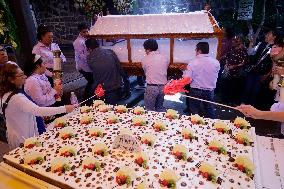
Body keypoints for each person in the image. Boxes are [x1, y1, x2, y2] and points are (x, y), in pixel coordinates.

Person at [0, 64, 75, 149]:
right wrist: (65, 108)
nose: (24, 76)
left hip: (17, 133)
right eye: (20, 75)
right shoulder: (16, 97)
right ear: (11, 80)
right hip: (23, 137)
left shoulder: (6, 93)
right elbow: (37, 110)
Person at [183, 42, 220, 118]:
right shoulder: (216, 62)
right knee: (209, 109)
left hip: (195, 91)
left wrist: (184, 73)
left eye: (196, 50)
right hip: (209, 91)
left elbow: (187, 79)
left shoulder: (193, 62)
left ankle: (195, 127)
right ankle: (211, 127)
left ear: (199, 50)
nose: (195, 52)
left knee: (194, 110)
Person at [242, 30, 277, 108]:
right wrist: (250, 43)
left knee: (255, 91)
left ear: (274, 37)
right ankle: (243, 105)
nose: (266, 36)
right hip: (253, 70)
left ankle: (251, 108)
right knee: (247, 88)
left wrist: (267, 75)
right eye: (266, 34)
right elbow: (250, 52)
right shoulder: (260, 44)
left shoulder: (275, 48)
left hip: (262, 73)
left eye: (268, 34)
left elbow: (274, 64)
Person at [85, 38, 123, 105]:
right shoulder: (110, 51)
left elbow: (93, 70)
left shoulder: (89, 58)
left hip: (101, 88)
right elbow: (119, 68)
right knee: (113, 108)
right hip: (115, 85)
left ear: (89, 48)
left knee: (100, 107)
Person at [141, 39, 169, 112]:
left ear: (148, 49)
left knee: (149, 110)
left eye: (145, 49)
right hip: (163, 87)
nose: (145, 51)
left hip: (151, 87)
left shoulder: (145, 59)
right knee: (159, 108)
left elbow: (145, 71)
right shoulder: (165, 58)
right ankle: (160, 123)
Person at [220, 35, 249, 105]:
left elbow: (244, 62)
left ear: (240, 41)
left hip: (236, 73)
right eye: (234, 40)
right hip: (228, 70)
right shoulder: (232, 49)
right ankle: (224, 100)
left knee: (233, 87)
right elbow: (227, 56)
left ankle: (231, 101)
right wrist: (226, 63)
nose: (234, 41)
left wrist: (234, 66)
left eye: (236, 40)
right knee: (226, 86)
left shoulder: (243, 51)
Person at [73, 23, 93, 99]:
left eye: (87, 31)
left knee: (92, 81)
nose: (86, 33)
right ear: (80, 32)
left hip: (87, 64)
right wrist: (92, 61)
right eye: (83, 32)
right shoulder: (78, 42)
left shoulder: (86, 38)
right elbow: (82, 56)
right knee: (91, 81)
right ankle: (85, 97)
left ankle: (88, 95)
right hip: (82, 65)